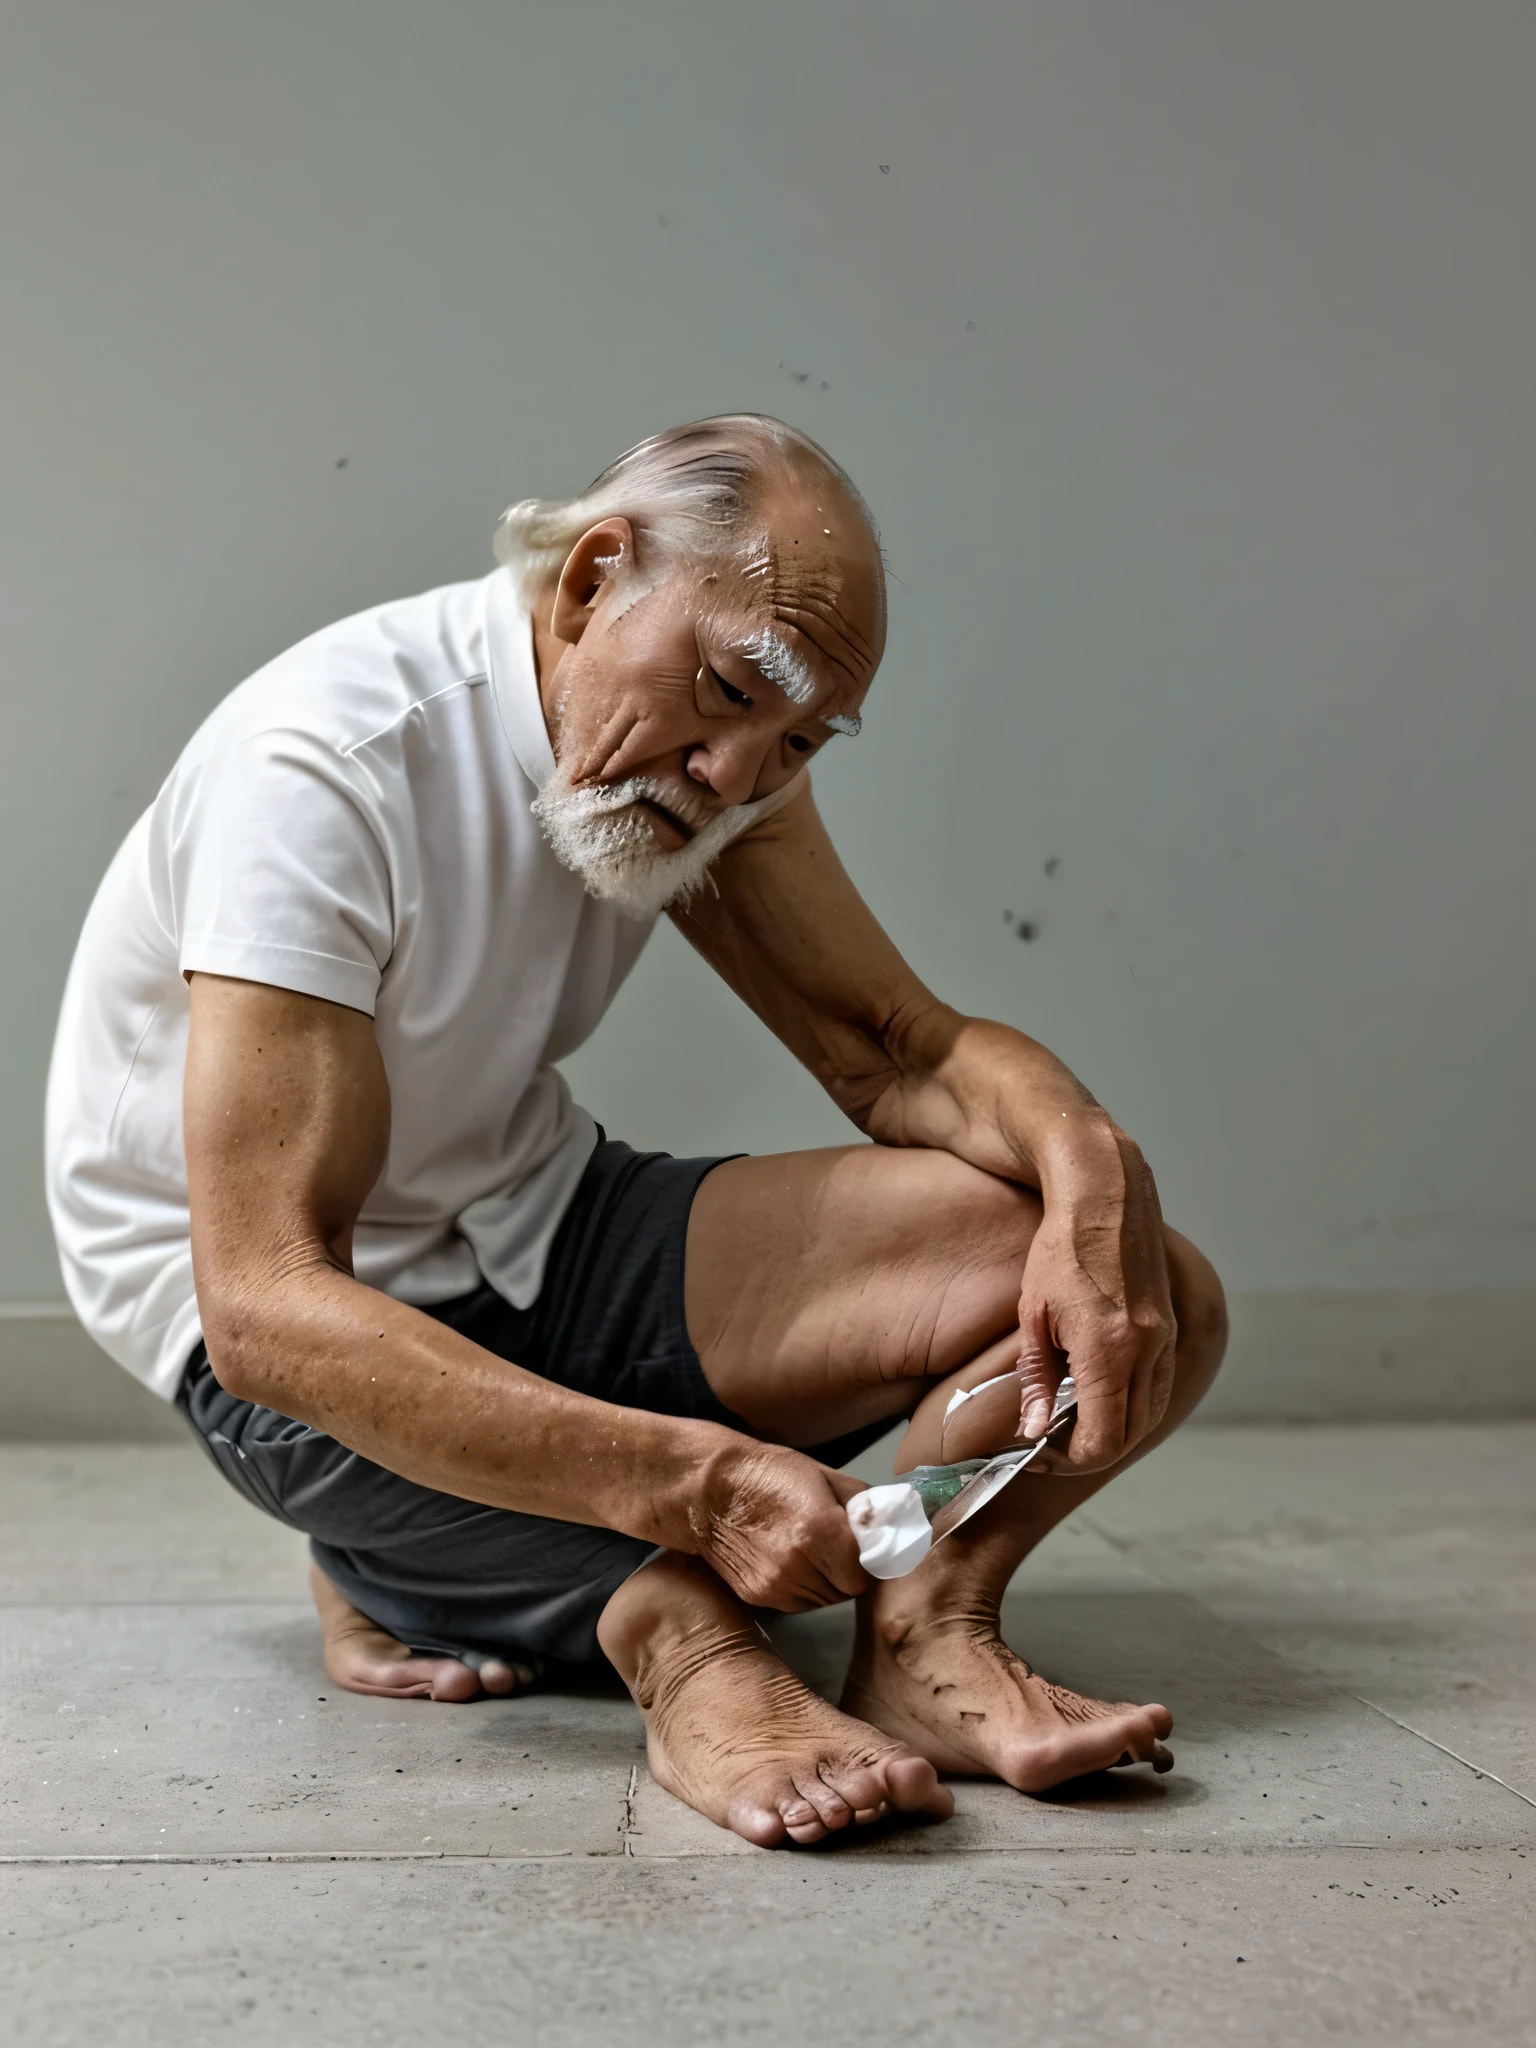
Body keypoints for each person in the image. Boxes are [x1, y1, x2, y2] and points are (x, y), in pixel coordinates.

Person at [46, 414, 1227, 1849]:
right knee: (680, 1583)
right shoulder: (325, 768)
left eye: (794, 741)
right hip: (274, 1328)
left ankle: (927, 1637)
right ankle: (652, 1638)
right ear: (596, 577)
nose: (737, 776)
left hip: (540, 1220)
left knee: (1148, 1288)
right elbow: (270, 1312)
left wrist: (1095, 1180)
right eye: (728, 690)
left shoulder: (714, 769)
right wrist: (701, 1485)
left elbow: (892, 1049)